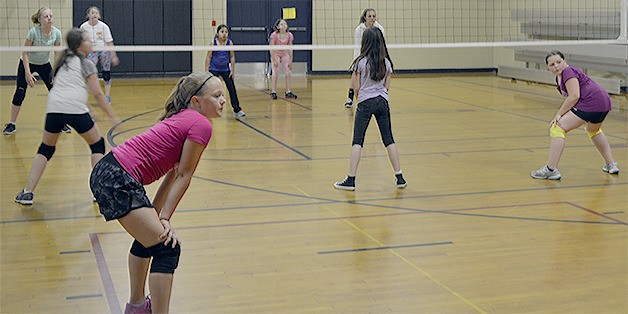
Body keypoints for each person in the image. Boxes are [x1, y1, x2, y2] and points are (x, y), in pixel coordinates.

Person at [90, 72, 225, 314]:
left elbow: (173, 174)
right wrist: (162, 219)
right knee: (167, 248)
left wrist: (160, 215)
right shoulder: (201, 124)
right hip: (117, 178)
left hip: (109, 171)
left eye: (222, 94)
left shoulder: (184, 118)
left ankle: (137, 306)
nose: (223, 100)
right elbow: (184, 175)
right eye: (216, 96)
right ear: (196, 101)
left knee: (150, 239)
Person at [14, 28, 121, 205]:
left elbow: (63, 89)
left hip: (54, 108)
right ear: (80, 45)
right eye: (87, 40)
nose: (91, 42)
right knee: (98, 144)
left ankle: (27, 193)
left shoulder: (62, 60)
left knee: (46, 149)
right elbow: (98, 95)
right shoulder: (87, 65)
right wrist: (112, 116)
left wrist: (88, 109)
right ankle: (99, 192)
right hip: (75, 110)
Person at [334, 27, 406, 191]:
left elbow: (355, 87)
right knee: (389, 139)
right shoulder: (386, 62)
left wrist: (362, 99)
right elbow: (387, 87)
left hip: (365, 102)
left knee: (357, 141)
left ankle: (351, 180)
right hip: (382, 102)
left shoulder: (360, 62)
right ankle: (400, 177)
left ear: (365, 42)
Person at [531, 51, 619, 180]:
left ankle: (550, 169)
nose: (556, 66)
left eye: (558, 62)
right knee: (593, 130)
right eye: (551, 64)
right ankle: (611, 164)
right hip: (603, 102)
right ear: (548, 67)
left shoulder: (568, 71)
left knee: (557, 128)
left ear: (565, 61)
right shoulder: (559, 78)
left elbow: (574, 96)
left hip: (592, 102)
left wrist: (558, 114)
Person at [3, 7, 71, 135]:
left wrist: (56, 74)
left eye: (51, 15)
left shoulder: (56, 33)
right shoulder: (33, 32)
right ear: (40, 19)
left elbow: (57, 54)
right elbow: (25, 53)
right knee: (20, 93)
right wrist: (28, 73)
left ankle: (61, 122)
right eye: (46, 16)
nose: (49, 18)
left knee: (55, 91)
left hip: (44, 64)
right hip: (27, 63)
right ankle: (12, 124)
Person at [344, 8, 385, 108]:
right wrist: (358, 61)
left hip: (375, 55)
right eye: (369, 16)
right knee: (355, 74)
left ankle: (379, 95)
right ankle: (350, 98)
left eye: (374, 16)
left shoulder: (379, 28)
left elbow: (381, 44)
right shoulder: (359, 29)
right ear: (365, 17)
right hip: (361, 54)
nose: (372, 18)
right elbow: (359, 46)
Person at [205, 24, 246, 120]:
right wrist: (207, 71)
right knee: (210, 90)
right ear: (217, 33)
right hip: (214, 69)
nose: (224, 34)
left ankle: (237, 109)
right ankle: (207, 109)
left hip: (225, 69)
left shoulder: (229, 43)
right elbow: (208, 57)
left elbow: (232, 57)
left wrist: (233, 70)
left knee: (231, 89)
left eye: (226, 32)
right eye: (222, 32)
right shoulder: (213, 43)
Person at [80, 6, 120, 104]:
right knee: (90, 72)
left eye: (96, 13)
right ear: (88, 15)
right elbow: (80, 42)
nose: (94, 15)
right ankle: (89, 94)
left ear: (99, 15)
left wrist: (113, 56)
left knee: (106, 73)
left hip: (103, 50)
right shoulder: (83, 27)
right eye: (92, 13)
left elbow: (109, 42)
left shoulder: (103, 27)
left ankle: (107, 96)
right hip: (91, 51)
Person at [269, 19, 297, 100]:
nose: (284, 25)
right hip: (276, 54)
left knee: (288, 72)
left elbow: (290, 48)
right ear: (277, 26)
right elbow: (271, 48)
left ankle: (288, 92)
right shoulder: (274, 35)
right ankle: (273, 92)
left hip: (285, 54)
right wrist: (274, 59)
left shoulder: (289, 35)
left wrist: (291, 60)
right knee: (275, 72)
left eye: (285, 24)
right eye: (281, 24)